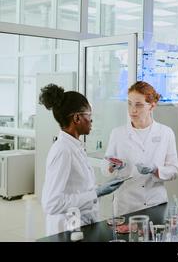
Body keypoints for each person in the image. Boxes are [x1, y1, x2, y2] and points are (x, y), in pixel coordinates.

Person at [39, 84, 124, 236]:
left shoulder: (75, 146)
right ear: (77, 118)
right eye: (89, 115)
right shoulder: (63, 151)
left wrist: (98, 188)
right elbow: (51, 203)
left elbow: (76, 186)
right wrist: (96, 193)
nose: (92, 121)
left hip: (81, 227)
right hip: (66, 231)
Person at [103, 81, 178, 216]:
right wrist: (111, 166)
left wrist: (155, 170)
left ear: (152, 106)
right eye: (129, 103)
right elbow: (105, 167)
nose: (133, 110)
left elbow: (174, 171)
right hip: (126, 206)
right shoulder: (117, 133)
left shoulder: (165, 133)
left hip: (155, 203)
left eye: (138, 105)